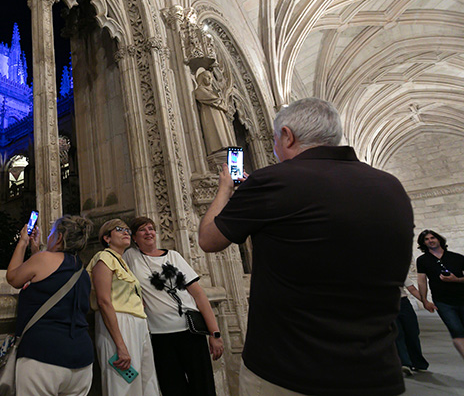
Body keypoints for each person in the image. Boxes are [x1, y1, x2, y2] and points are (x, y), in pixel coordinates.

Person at [198, 98, 414, 395]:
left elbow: (209, 239)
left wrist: (226, 189)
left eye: (275, 140)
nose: (275, 147)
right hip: (374, 370)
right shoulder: (391, 187)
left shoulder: (273, 181)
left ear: (287, 135)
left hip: (291, 372)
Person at [124, 216, 223, 396]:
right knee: (172, 387)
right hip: (160, 336)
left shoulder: (173, 256)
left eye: (151, 228)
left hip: (189, 331)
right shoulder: (131, 257)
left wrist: (214, 333)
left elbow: (199, 295)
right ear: (134, 238)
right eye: (143, 230)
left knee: (203, 386)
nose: (149, 233)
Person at [6, 215, 95, 396]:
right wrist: (36, 251)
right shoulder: (82, 271)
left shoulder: (44, 259)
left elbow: (13, 277)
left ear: (60, 237)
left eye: (52, 233)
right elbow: (50, 280)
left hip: (44, 355)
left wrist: (23, 241)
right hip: (82, 359)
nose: (48, 237)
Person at [87, 219, 160, 396]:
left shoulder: (122, 261)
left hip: (137, 323)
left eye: (127, 229)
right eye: (119, 229)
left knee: (147, 382)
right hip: (118, 322)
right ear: (107, 238)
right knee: (124, 385)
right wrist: (120, 345)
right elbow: (104, 301)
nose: (125, 232)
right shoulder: (104, 258)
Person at [416, 229, 464, 361]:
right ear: (423, 243)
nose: (430, 241)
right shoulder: (422, 260)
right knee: (457, 331)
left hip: (462, 297)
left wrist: (457, 280)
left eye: (432, 238)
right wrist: (424, 300)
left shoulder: (457, 257)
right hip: (443, 301)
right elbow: (422, 281)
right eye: (426, 239)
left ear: (439, 239)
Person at [395, 277, 429, 374]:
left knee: (412, 332)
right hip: (387, 304)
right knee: (398, 334)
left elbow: (412, 289)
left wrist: (425, 302)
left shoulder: (399, 270)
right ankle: (405, 363)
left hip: (403, 303)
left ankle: (418, 362)